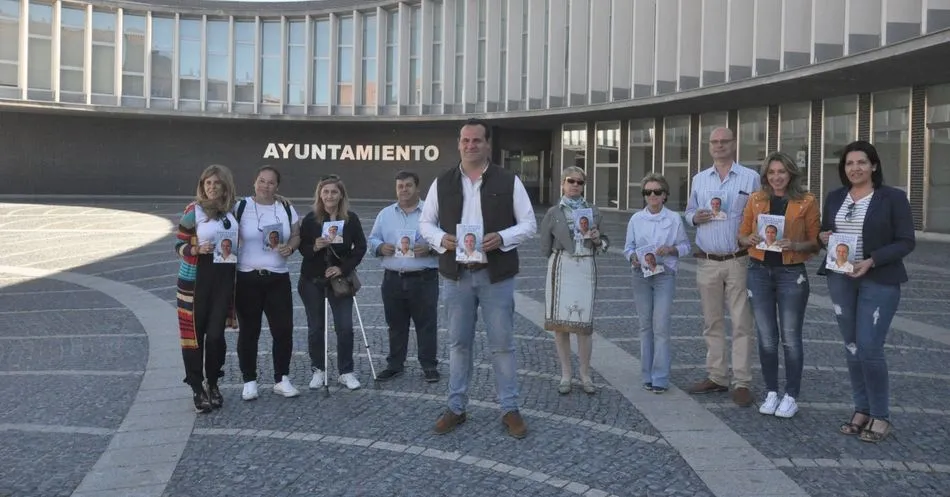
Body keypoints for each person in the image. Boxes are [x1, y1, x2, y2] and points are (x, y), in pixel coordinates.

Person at [419, 118, 537, 439]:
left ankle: (509, 408)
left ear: (488, 144)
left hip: (495, 275)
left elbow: (529, 224)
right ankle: (456, 407)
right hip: (457, 276)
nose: (470, 145)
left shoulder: (508, 180)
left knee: (502, 344)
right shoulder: (441, 182)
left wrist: (502, 237)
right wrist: (441, 239)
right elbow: (425, 223)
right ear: (459, 143)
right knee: (459, 343)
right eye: (465, 140)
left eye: (477, 140)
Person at [819, 140, 915, 443]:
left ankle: (880, 415)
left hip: (879, 278)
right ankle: (861, 409)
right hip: (841, 277)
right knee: (852, 346)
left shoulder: (892, 198)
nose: (855, 168)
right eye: (849, 163)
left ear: (873, 165)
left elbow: (906, 241)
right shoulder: (835, 197)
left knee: (870, 347)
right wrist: (824, 238)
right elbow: (826, 233)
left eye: (861, 162)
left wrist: (872, 260)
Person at [738, 151, 820, 418]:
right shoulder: (756, 199)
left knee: (791, 338)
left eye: (781, 172)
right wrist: (748, 239)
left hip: (791, 272)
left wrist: (794, 245)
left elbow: (816, 241)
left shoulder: (806, 201)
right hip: (758, 270)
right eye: (771, 172)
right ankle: (772, 391)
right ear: (765, 176)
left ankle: (791, 395)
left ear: (791, 173)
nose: (776, 177)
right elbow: (742, 235)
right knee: (766, 338)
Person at [685, 127, 760, 406]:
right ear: (709, 146)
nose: (719, 146)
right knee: (712, 321)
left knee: (741, 322)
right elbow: (689, 211)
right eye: (714, 142)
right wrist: (695, 218)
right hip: (707, 261)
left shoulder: (751, 178)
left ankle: (741, 381)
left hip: (737, 259)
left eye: (724, 141)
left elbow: (759, 215)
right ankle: (717, 375)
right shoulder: (699, 179)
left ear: (733, 144)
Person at [234, 165, 302, 401]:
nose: (266, 186)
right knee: (249, 331)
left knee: (283, 330)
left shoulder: (284, 207)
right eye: (262, 181)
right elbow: (227, 232)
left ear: (277, 186)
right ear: (254, 182)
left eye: (271, 182)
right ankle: (249, 380)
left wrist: (290, 247)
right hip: (247, 276)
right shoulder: (241, 207)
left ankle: (281, 379)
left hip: (277, 276)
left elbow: (296, 234)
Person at [539, 166, 608, 395]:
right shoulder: (553, 212)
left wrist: (598, 240)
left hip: (586, 266)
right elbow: (544, 247)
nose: (575, 185)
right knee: (561, 326)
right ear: (563, 183)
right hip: (561, 267)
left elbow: (605, 245)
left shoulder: (594, 212)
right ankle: (566, 374)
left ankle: (585, 374)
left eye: (580, 182)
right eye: (571, 181)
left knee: (584, 327)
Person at [175, 164, 238, 413]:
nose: (211, 187)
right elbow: (179, 244)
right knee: (194, 338)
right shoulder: (194, 211)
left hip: (223, 280)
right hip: (195, 280)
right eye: (207, 183)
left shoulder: (232, 211)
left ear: (225, 186)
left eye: (216, 183)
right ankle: (196, 387)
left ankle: (212, 383)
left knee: (215, 337)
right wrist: (195, 249)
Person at [368, 170, 441, 383]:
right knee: (396, 324)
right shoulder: (385, 214)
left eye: (408, 185)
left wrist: (429, 248)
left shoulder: (432, 213)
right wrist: (381, 247)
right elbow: (372, 239)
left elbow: (446, 240)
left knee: (426, 324)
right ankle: (395, 365)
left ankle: (429, 365)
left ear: (417, 188)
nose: (404, 190)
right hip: (393, 278)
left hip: (424, 278)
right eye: (400, 186)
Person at [298, 175, 368, 391]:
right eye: (326, 191)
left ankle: (345, 371)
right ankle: (318, 369)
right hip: (312, 280)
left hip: (340, 280)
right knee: (316, 328)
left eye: (334, 192)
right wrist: (315, 247)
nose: (329, 195)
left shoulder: (351, 219)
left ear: (341, 195)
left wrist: (343, 267)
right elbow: (303, 249)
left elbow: (361, 248)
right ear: (320, 194)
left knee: (345, 327)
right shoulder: (310, 219)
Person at [623, 173, 690, 394]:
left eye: (657, 192)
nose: (652, 195)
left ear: (665, 196)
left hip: (665, 275)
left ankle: (660, 377)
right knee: (645, 326)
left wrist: (671, 249)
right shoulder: (636, 219)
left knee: (660, 326)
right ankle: (647, 375)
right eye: (647, 192)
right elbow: (628, 248)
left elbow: (685, 247)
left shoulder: (673, 219)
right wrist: (632, 257)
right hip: (640, 275)